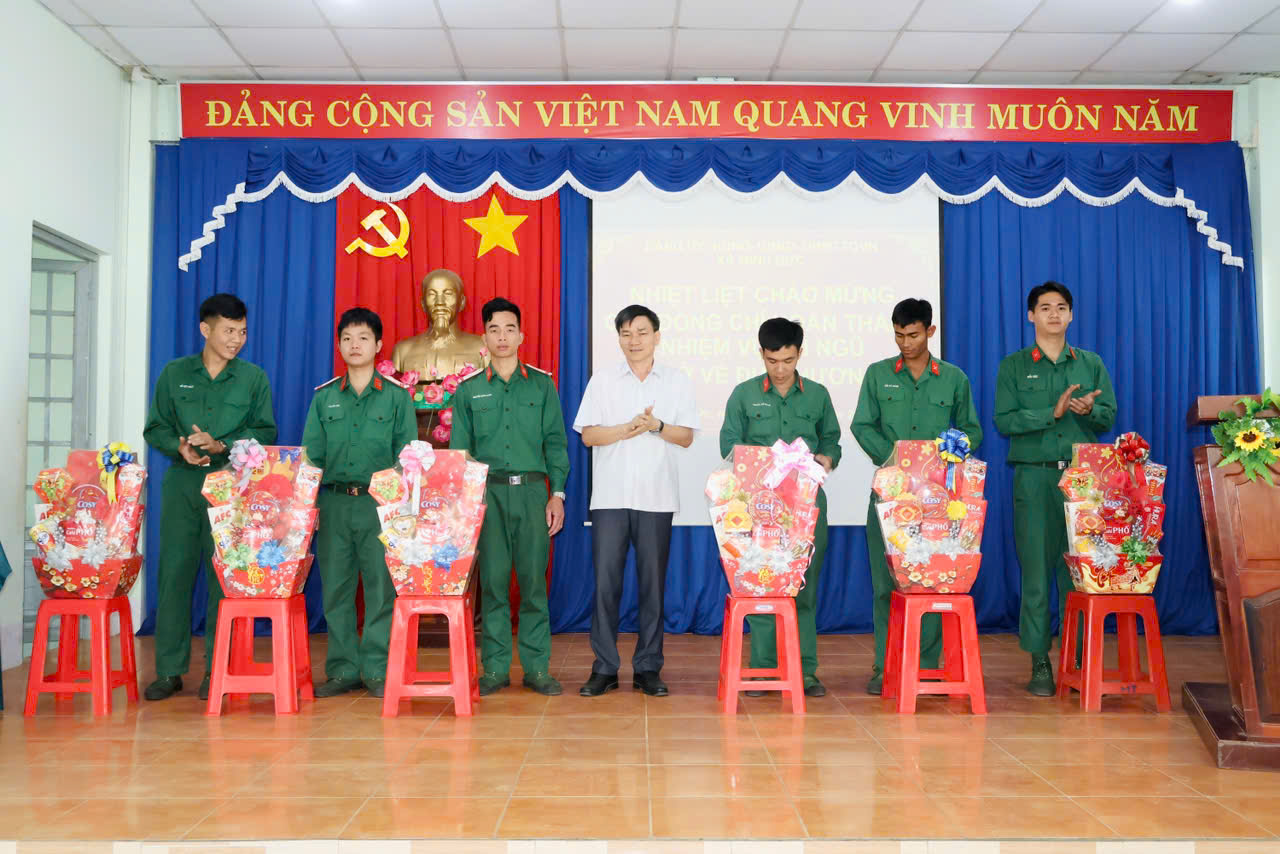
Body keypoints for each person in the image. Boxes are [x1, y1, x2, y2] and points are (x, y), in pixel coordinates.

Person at [142, 293, 276, 701]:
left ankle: (217, 669)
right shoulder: (174, 373)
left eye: (243, 332)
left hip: (230, 485)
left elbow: (266, 431)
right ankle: (169, 671)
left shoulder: (253, 378)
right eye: (229, 331)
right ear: (205, 329)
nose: (237, 340)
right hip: (183, 484)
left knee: (224, 578)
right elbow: (155, 427)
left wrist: (223, 445)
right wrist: (179, 446)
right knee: (175, 576)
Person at [850, 298, 983, 695]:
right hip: (889, 496)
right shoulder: (877, 374)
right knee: (885, 584)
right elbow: (862, 425)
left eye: (912, 335)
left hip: (938, 500)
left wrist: (951, 452)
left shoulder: (954, 377)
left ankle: (924, 666)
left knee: (932, 580)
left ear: (930, 331)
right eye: (898, 335)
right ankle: (884, 666)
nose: (905, 343)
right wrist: (894, 458)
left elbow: (972, 430)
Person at [994, 281, 1116, 696]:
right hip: (1034, 477)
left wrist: (1091, 410)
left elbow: (1108, 416)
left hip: (1082, 481)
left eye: (1061, 307)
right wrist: (1053, 412)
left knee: (1077, 572)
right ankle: (1040, 661)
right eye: (1045, 308)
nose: (1054, 315)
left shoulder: (1090, 363)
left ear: (1071, 315)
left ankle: (1075, 658)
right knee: (1035, 572)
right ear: (1031, 315)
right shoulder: (1013, 366)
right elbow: (1004, 421)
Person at [573, 305, 697, 698]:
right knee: (605, 585)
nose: (634, 340)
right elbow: (588, 436)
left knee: (652, 587)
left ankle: (648, 667)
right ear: (619, 338)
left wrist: (656, 426)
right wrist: (626, 429)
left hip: (657, 497)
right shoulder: (603, 380)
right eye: (626, 333)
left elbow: (686, 437)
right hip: (610, 497)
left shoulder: (676, 381)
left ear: (656, 336)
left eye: (642, 332)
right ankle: (604, 668)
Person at [450, 298, 570, 696]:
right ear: (484, 337)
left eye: (509, 329)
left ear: (521, 335)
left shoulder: (542, 384)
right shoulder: (469, 390)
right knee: (494, 585)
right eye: (494, 329)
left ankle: (537, 669)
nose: (502, 337)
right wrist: (468, 505)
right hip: (488, 495)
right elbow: (461, 453)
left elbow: (555, 444)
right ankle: (496, 669)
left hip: (533, 493)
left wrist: (557, 494)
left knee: (534, 584)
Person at [719, 318, 841, 698]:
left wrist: (827, 458)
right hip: (760, 510)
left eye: (788, 360)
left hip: (806, 507)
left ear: (799, 354)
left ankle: (805, 673)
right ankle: (762, 670)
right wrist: (762, 463)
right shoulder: (744, 394)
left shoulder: (818, 394)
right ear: (761, 354)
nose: (780, 369)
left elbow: (832, 440)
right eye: (772, 361)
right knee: (762, 586)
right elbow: (728, 444)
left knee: (803, 588)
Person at [302, 307, 416, 699]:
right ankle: (343, 669)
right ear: (338, 345)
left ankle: (377, 669)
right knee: (336, 589)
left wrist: (397, 507)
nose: (355, 345)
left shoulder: (397, 398)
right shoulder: (325, 398)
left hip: (379, 507)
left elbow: (406, 457)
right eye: (347, 338)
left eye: (363, 338)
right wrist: (308, 508)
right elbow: (311, 458)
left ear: (378, 344)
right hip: (334, 503)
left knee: (381, 588)